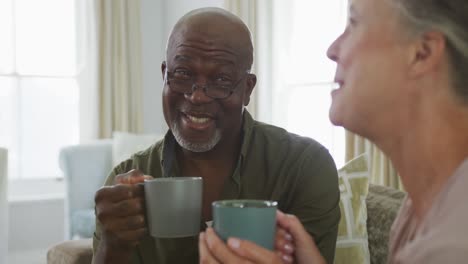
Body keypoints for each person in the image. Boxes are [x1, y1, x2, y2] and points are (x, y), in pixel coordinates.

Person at [200, 0, 468, 263]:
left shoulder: (451, 247)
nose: (332, 49)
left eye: (354, 22)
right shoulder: (421, 212)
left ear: (422, 52)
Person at [92, 7, 341, 264]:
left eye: (221, 79)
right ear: (164, 75)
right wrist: (113, 247)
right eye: (183, 74)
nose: (197, 96)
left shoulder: (302, 167)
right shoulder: (128, 180)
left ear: (247, 89)